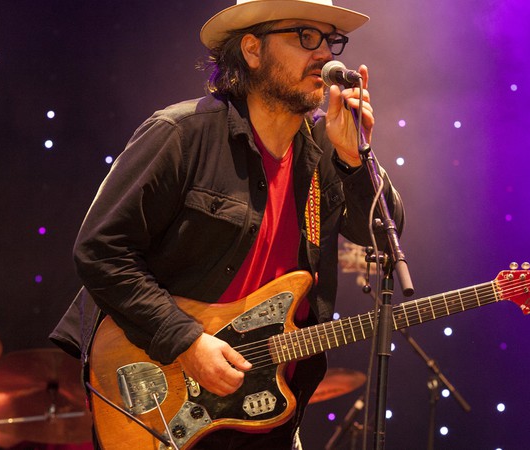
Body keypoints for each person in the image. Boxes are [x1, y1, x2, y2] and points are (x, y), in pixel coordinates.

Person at [51, 0, 404, 448]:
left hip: (266, 412)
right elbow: (100, 250)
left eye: (331, 40)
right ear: (253, 49)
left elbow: (386, 238)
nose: (326, 56)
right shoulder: (183, 133)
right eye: (305, 36)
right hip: (170, 395)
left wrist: (355, 159)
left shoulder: (323, 154)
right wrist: (186, 342)